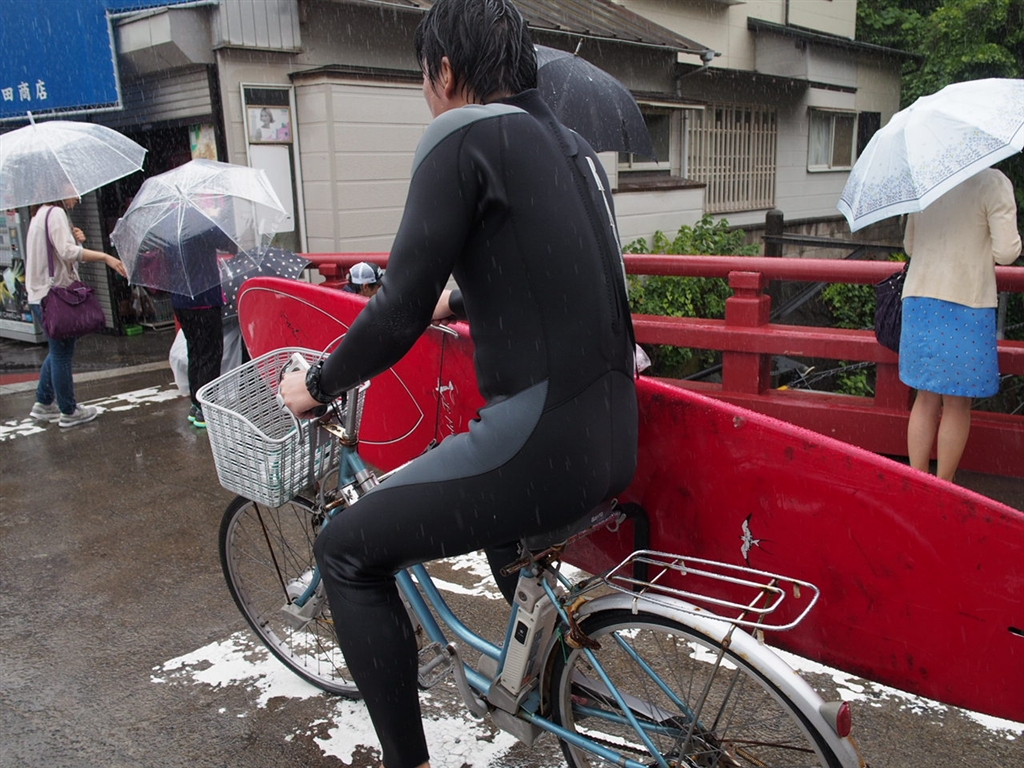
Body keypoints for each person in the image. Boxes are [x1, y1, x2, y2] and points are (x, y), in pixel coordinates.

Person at [279, 1, 638, 766]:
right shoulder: (572, 147)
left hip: (540, 446)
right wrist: (461, 300)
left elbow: (396, 309)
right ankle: (561, 684)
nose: (427, 95)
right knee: (505, 532)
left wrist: (320, 380)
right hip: (612, 436)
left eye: (423, 78)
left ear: (444, 70)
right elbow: (557, 270)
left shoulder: (463, 133)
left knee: (345, 551)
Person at [900, 166, 1021, 481]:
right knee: (956, 403)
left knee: (925, 398)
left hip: (919, 299)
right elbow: (1006, 253)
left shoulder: (928, 179)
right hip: (966, 300)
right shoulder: (992, 182)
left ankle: (917, 482)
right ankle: (944, 487)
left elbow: (910, 246)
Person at [25, 196, 128, 428]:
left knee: (57, 350)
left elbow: (60, 253)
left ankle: (44, 402)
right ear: (60, 190)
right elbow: (67, 252)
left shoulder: (39, 214)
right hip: (54, 297)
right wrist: (105, 257)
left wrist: (76, 241)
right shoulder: (56, 213)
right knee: (62, 353)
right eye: (73, 190)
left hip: (40, 295)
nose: (78, 197)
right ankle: (69, 411)